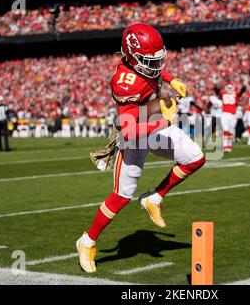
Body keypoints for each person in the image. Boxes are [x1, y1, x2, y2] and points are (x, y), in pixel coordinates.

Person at [76, 23, 205, 273]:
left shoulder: (143, 63)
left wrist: (171, 79)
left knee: (195, 158)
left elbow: (156, 67)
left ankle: (154, 197)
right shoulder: (125, 83)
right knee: (122, 196)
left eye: (157, 59)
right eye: (149, 60)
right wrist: (164, 121)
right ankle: (86, 241)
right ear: (132, 56)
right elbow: (128, 130)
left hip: (153, 118)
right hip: (135, 132)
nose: (156, 65)